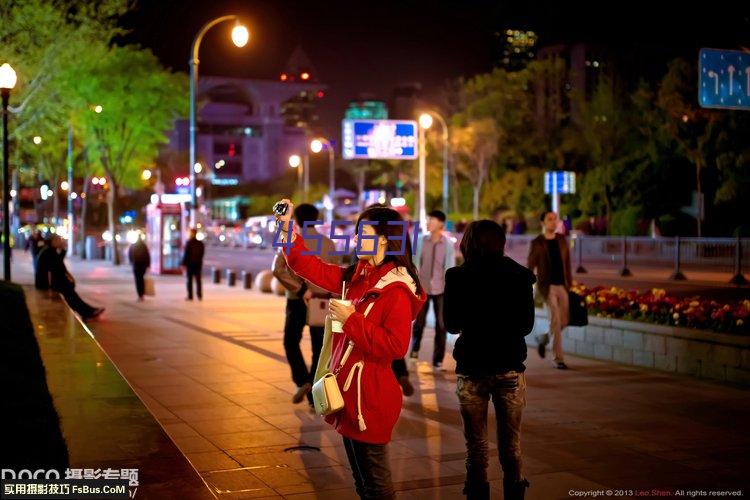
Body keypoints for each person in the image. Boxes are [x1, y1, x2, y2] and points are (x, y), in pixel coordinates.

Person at [275, 198, 425, 499]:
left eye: (363, 234)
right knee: (361, 482)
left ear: (384, 240)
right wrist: (286, 226)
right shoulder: (354, 278)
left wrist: (352, 320)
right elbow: (308, 265)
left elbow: (396, 347)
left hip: (371, 400)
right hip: (347, 396)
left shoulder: (395, 291)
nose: (355, 240)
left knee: (377, 487)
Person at [444, 220, 535, 500]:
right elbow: (527, 326)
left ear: (468, 243)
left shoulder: (458, 276)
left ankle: (477, 494)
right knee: (512, 446)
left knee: (476, 448)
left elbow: (451, 324)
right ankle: (514, 493)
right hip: (509, 366)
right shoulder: (520, 275)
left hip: (472, 369)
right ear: (500, 242)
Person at [272, 204, 337, 407]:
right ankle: (312, 387)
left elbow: (277, 270)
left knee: (290, 341)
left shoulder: (291, 242)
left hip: (296, 299)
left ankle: (302, 380)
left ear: (297, 221)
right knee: (319, 348)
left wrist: (300, 290)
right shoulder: (329, 244)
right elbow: (335, 276)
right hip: (322, 301)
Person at [527, 211, 573, 369]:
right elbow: (530, 265)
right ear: (543, 223)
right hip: (547, 287)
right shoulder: (537, 242)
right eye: (550, 219)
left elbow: (567, 264)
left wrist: (570, 285)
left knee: (564, 321)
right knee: (555, 319)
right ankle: (558, 359)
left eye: (555, 219)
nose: (554, 222)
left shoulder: (562, 240)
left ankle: (543, 338)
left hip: (562, 286)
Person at [410, 210, 455, 368]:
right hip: (422, 288)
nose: (428, 222)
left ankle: (438, 359)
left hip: (441, 289)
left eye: (431, 220)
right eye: (428, 219)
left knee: (441, 325)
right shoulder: (421, 241)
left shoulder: (448, 245)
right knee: (419, 323)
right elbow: (414, 264)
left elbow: (449, 267)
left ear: (440, 224)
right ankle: (414, 350)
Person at [36, 235, 104, 320]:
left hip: (53, 281)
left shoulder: (50, 251)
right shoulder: (49, 252)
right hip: (47, 283)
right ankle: (87, 312)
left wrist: (63, 250)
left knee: (71, 294)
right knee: (70, 294)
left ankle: (87, 311)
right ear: (52, 242)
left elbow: (58, 264)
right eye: (58, 240)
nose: (60, 241)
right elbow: (58, 268)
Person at [181, 228, 205, 301]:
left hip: (190, 265)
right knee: (198, 281)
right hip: (198, 265)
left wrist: (183, 264)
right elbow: (202, 254)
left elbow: (186, 255)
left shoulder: (189, 243)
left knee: (190, 280)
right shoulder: (200, 243)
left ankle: (190, 296)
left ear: (192, 234)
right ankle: (199, 295)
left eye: (190, 233)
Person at [128, 236, 151, 301]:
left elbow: (129, 255)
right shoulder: (144, 246)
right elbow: (147, 256)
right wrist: (148, 265)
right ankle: (142, 294)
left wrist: (131, 262)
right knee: (142, 279)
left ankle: (139, 294)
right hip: (143, 266)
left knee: (137, 280)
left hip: (136, 265)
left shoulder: (133, 246)